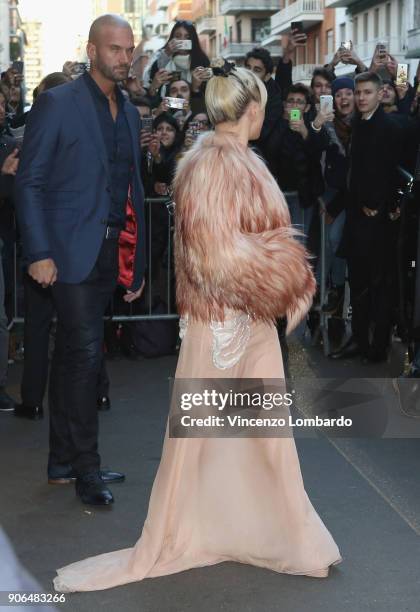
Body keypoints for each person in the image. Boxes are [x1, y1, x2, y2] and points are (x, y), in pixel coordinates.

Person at [54, 61, 341, 593]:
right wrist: (287, 272)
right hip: (223, 320)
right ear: (251, 107)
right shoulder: (213, 165)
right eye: (265, 105)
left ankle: (274, 532)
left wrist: (278, 272)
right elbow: (218, 256)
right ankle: (205, 530)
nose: (268, 114)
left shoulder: (234, 160)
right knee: (205, 439)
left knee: (260, 436)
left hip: (246, 318)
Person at [15, 14, 146, 505]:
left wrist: (136, 264)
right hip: (66, 254)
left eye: (128, 49)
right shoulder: (57, 103)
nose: (123, 57)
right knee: (87, 356)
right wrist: (40, 252)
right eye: (114, 48)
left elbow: (131, 189)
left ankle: (62, 462)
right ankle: (86, 467)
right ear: (91, 50)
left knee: (74, 356)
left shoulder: (131, 113)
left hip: (110, 251)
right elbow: (30, 182)